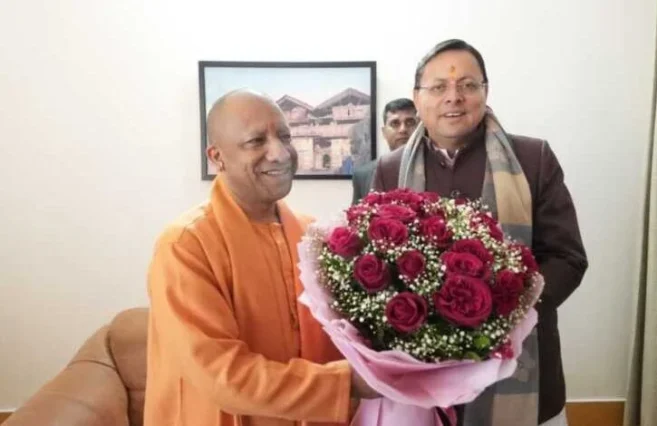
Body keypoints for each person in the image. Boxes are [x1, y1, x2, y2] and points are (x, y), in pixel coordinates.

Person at [371, 39, 588, 426]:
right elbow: (375, 263)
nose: (453, 97)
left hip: (520, 367)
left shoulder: (533, 159)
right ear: (417, 98)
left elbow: (567, 257)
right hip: (424, 374)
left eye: (468, 85)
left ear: (485, 92)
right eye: (439, 87)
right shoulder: (390, 170)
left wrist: (504, 313)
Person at [144, 89, 379, 426]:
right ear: (217, 157)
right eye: (256, 141)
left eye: (285, 137)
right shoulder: (185, 245)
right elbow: (221, 374)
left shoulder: (312, 235)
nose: (280, 153)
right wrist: (346, 384)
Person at [351, 98, 418, 204]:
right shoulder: (363, 175)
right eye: (395, 123)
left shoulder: (437, 168)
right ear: (384, 132)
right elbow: (357, 213)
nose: (403, 129)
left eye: (410, 122)